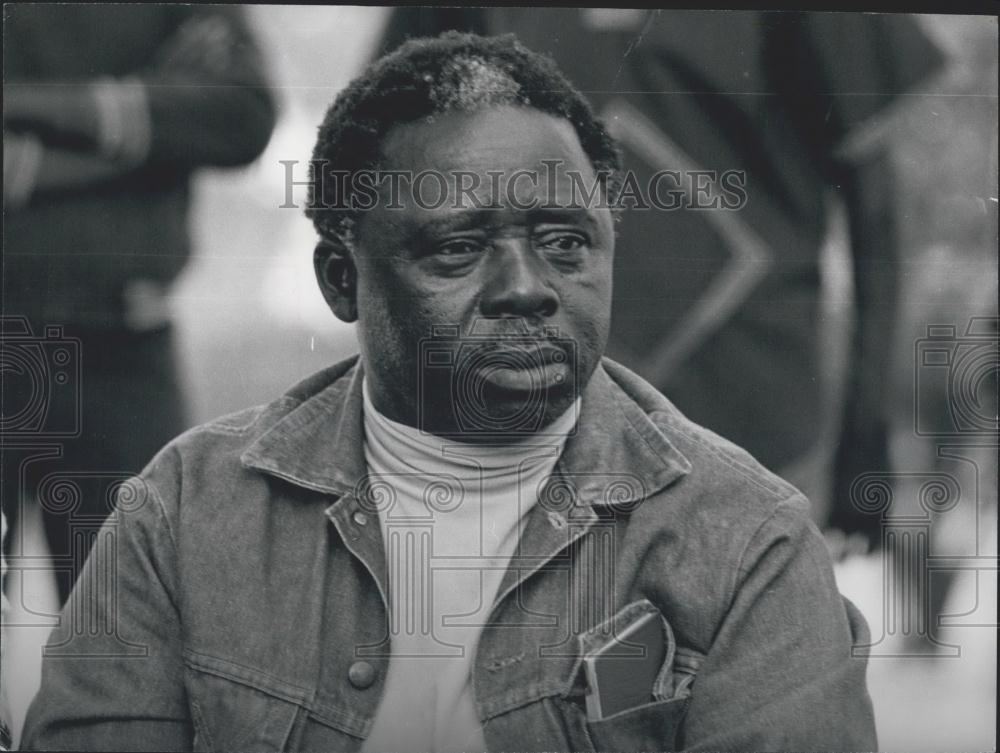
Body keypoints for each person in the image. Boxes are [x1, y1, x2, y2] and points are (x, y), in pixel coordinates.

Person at [21, 33, 876, 752]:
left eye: (565, 244)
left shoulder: (747, 540)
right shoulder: (182, 515)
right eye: (458, 249)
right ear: (341, 282)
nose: (526, 288)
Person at [2, 4, 276, 604]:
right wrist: (141, 120)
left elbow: (243, 116)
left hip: (121, 347)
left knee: (135, 634)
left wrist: (22, 122)